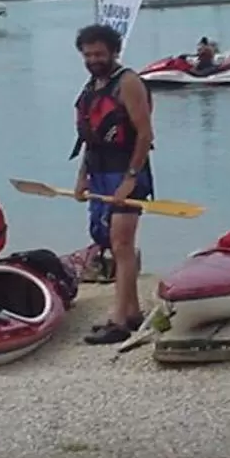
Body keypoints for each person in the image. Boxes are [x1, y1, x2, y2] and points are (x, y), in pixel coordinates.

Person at [71, 22, 155, 344]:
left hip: (127, 172)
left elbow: (145, 134)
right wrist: (81, 177)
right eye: (88, 54)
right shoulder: (92, 88)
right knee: (110, 241)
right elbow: (90, 139)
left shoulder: (129, 83)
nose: (94, 59)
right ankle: (132, 311)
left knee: (121, 244)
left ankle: (118, 319)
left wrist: (130, 179)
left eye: (99, 54)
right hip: (99, 172)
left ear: (114, 52)